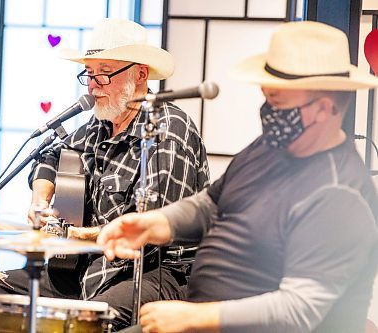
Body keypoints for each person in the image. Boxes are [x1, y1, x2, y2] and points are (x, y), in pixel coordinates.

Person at [97, 21, 378, 333]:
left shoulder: (340, 193)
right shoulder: (272, 147)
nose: (267, 111)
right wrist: (159, 223)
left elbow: (298, 311)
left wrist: (197, 317)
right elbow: (212, 203)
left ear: (324, 109)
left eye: (278, 102)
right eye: (266, 97)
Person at [0, 18, 210, 330]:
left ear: (140, 73)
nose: (94, 84)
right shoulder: (100, 124)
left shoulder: (168, 130)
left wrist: (71, 235)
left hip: (158, 272)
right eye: (90, 74)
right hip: (87, 266)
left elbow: (147, 228)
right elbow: (51, 155)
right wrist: (40, 201)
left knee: (93, 316)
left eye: (105, 73)